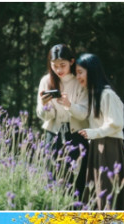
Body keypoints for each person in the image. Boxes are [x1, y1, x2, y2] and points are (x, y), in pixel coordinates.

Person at [76, 53, 124, 210]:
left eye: (80, 72)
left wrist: (93, 133)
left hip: (109, 147)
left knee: (106, 190)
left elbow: (116, 123)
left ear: (92, 71)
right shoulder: (94, 94)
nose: (78, 76)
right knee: (97, 190)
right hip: (98, 146)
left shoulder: (108, 94)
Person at [36, 43, 90, 199]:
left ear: (72, 62)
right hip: (53, 133)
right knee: (53, 179)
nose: (58, 70)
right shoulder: (46, 81)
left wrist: (69, 105)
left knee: (77, 182)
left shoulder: (80, 80)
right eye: (54, 66)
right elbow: (42, 115)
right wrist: (46, 106)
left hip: (77, 134)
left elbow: (84, 115)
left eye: (62, 65)